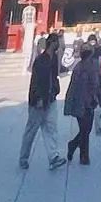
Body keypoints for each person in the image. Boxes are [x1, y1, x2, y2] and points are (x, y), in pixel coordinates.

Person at [21, 31, 64, 172]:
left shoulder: (54, 59)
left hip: (50, 99)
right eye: (58, 42)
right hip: (38, 101)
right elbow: (36, 82)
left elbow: (54, 77)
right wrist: (37, 98)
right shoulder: (41, 60)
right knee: (31, 130)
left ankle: (53, 157)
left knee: (51, 128)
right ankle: (23, 158)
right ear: (52, 43)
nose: (60, 44)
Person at [64, 38, 101, 165]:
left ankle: (75, 146)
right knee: (86, 130)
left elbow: (72, 87)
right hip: (86, 102)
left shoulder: (78, 67)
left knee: (85, 129)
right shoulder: (91, 67)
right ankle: (83, 155)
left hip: (82, 102)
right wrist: (100, 99)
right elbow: (98, 84)